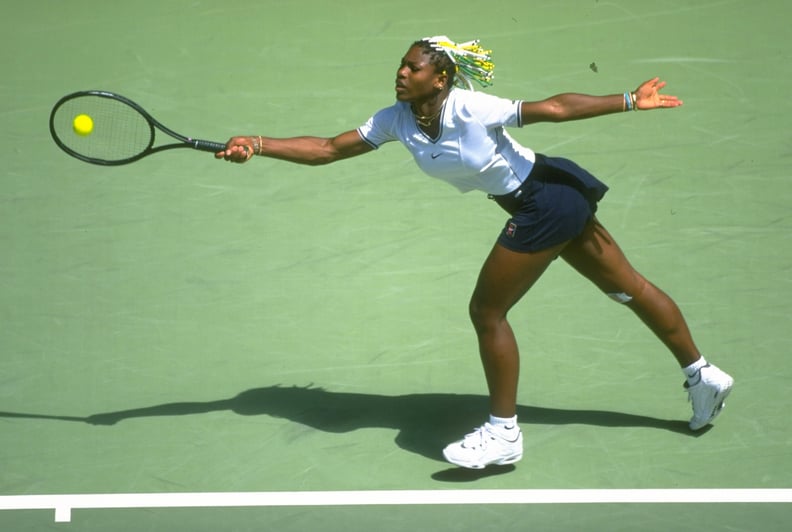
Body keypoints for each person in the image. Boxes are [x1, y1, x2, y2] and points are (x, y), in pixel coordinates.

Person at [216, 36, 734, 470]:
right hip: (551, 198)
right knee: (629, 288)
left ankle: (503, 433)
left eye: (412, 67)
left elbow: (552, 108)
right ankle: (703, 374)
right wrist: (258, 143)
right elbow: (328, 149)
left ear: (439, 78)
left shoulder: (468, 106)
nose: (400, 73)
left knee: (487, 312)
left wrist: (626, 99)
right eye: (400, 65)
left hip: (545, 201)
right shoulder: (397, 119)